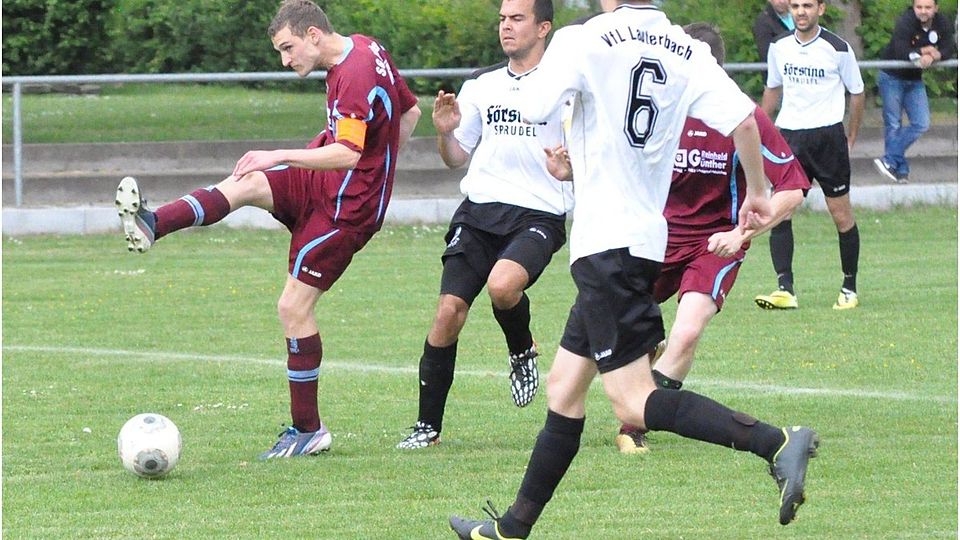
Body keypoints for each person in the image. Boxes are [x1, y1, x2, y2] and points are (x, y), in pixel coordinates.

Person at [448, 2, 819, 538]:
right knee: (563, 389)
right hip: (645, 241)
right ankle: (511, 529)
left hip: (605, 246)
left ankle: (776, 442)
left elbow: (534, 104)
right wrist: (759, 192)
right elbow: (743, 120)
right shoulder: (686, 47)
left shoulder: (585, 38)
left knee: (633, 401)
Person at [114, 0, 421, 459]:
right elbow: (410, 113)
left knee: (292, 308)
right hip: (326, 183)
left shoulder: (354, 74)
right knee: (247, 182)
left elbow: (349, 154)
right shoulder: (365, 48)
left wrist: (345, 168)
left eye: (288, 48)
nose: (285, 60)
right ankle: (153, 224)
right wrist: (383, 164)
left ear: (313, 35)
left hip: (346, 209)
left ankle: (308, 430)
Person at [613, 22, 811, 454]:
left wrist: (741, 233)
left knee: (686, 333)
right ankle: (647, 356)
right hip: (654, 239)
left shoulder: (742, 116)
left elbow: (793, 189)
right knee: (611, 331)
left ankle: (633, 426)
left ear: (715, 68)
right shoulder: (658, 109)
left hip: (714, 244)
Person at [395, 0, 573, 450]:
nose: (506, 28)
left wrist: (571, 167)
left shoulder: (567, 87)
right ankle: (427, 429)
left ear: (544, 27)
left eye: (517, 19)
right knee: (447, 313)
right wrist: (444, 131)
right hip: (478, 213)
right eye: (502, 20)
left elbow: (592, 151)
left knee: (502, 286)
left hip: (538, 213)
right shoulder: (481, 85)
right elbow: (456, 157)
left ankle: (521, 349)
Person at [756, 0, 865, 311]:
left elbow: (857, 92)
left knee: (841, 214)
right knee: (780, 210)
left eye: (807, 5)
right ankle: (785, 289)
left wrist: (851, 136)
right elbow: (772, 89)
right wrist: (762, 133)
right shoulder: (778, 47)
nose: (800, 12)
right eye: (795, 6)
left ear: (821, 9)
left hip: (828, 137)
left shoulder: (838, 47)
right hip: (790, 137)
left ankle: (849, 287)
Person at [874, 0, 956, 184]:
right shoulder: (906, 21)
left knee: (922, 123)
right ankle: (900, 171)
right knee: (894, 124)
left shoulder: (942, 22)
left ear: (936, 8)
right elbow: (901, 49)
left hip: (914, 79)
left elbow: (949, 47)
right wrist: (922, 52)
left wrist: (937, 55)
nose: (923, 11)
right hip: (892, 77)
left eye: (928, 7)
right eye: (919, 7)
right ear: (914, 8)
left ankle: (889, 160)